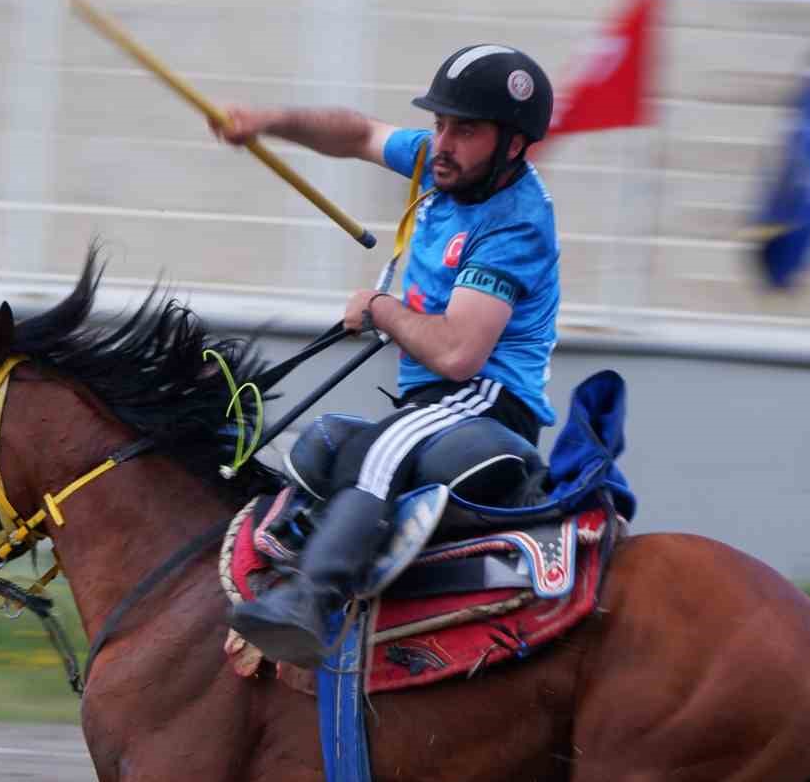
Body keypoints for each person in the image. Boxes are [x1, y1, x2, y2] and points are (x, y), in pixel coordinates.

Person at [213, 44, 561, 668]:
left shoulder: (517, 224)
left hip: (487, 403)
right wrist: (266, 122)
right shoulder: (443, 161)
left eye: (466, 130)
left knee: (378, 452)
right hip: (434, 404)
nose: (443, 142)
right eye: (440, 124)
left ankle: (310, 606)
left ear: (512, 145)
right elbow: (358, 133)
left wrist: (380, 308)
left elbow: (458, 354)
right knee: (320, 444)